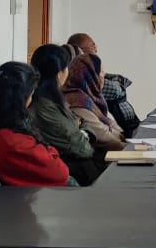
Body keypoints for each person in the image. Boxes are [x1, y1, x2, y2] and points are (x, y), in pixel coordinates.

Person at [0, 62, 75, 187]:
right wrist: (50, 150)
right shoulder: (14, 142)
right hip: (18, 197)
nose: (31, 99)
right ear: (20, 100)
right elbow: (61, 174)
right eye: (31, 94)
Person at [29, 44, 104, 186]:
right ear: (59, 74)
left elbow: (82, 122)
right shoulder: (44, 107)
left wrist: (80, 129)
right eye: (67, 67)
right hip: (73, 174)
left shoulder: (56, 100)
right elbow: (82, 148)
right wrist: (82, 131)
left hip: (79, 168)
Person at [62, 53, 126, 150]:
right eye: (101, 72)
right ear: (91, 75)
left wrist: (120, 134)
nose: (103, 76)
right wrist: (128, 147)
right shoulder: (76, 100)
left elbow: (110, 122)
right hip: (97, 154)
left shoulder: (93, 96)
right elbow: (101, 135)